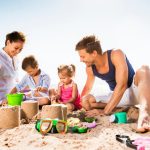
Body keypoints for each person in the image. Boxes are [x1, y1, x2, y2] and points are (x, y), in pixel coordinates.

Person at [75, 35, 150, 133]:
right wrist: (79, 105)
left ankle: (145, 112)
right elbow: (88, 87)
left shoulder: (116, 54)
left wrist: (105, 111)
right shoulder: (89, 68)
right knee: (86, 100)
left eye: (83, 56)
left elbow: (122, 85)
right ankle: (120, 109)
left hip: (134, 90)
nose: (81, 60)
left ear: (94, 53)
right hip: (117, 96)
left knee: (144, 70)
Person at [0, 31, 26, 105]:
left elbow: (15, 80)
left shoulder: (15, 58)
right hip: (3, 101)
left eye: (20, 49)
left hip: (14, 98)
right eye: (16, 48)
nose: (18, 51)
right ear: (8, 42)